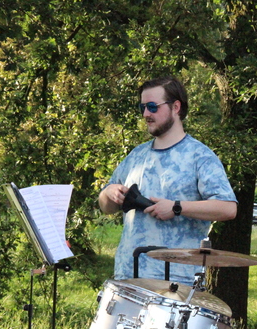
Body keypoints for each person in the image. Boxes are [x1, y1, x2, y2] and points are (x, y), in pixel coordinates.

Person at [99, 76, 237, 285]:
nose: (146, 114)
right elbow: (105, 207)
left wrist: (177, 207)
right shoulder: (136, 156)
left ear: (176, 107)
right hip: (127, 276)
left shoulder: (200, 156)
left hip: (175, 284)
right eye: (143, 107)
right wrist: (109, 193)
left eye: (153, 107)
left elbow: (228, 208)